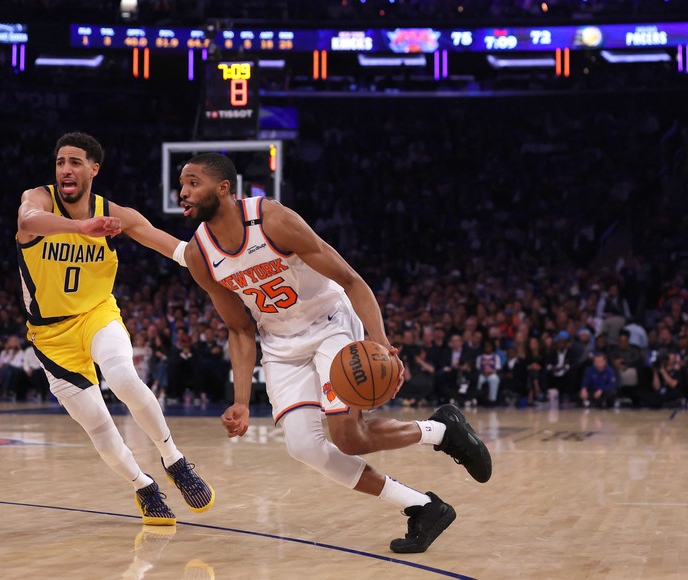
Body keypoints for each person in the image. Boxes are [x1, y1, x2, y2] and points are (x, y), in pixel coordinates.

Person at [178, 153, 491, 553]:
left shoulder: (273, 220)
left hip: (329, 324)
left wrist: (382, 345)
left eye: (192, 183)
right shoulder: (198, 255)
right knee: (304, 447)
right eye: (182, 184)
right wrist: (240, 400)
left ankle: (441, 432)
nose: (183, 192)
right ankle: (423, 503)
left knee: (348, 437)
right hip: (280, 343)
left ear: (223, 188)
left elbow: (351, 280)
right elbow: (238, 329)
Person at [16, 132, 213, 525]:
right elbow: (27, 219)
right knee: (97, 424)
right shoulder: (38, 200)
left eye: (75, 162)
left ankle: (173, 458)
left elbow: (176, 249)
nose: (65, 169)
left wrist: (221, 264)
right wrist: (82, 228)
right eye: (60, 162)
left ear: (94, 169)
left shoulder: (115, 213)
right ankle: (143, 485)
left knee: (123, 377)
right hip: (50, 336)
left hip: (97, 314)